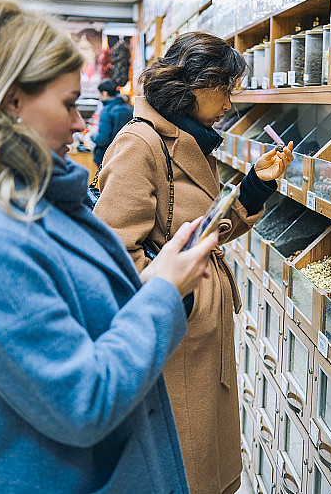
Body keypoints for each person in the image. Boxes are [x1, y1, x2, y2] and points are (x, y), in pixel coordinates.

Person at [0, 0, 218, 494]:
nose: (81, 124)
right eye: (69, 103)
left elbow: (77, 321)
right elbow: (81, 398)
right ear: (11, 101)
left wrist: (151, 284)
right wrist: (158, 294)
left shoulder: (36, 204)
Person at [94, 31, 294, 494]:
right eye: (224, 88)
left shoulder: (186, 140)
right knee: (183, 471)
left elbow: (195, 229)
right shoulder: (141, 144)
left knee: (205, 464)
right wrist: (177, 299)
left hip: (196, 339)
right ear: (195, 84)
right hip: (172, 344)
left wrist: (255, 187)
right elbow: (113, 256)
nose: (229, 102)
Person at [82, 79, 133, 168]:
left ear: (105, 93)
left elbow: (102, 139)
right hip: (125, 155)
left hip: (107, 157)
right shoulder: (128, 109)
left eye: (100, 94)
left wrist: (91, 136)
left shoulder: (107, 111)